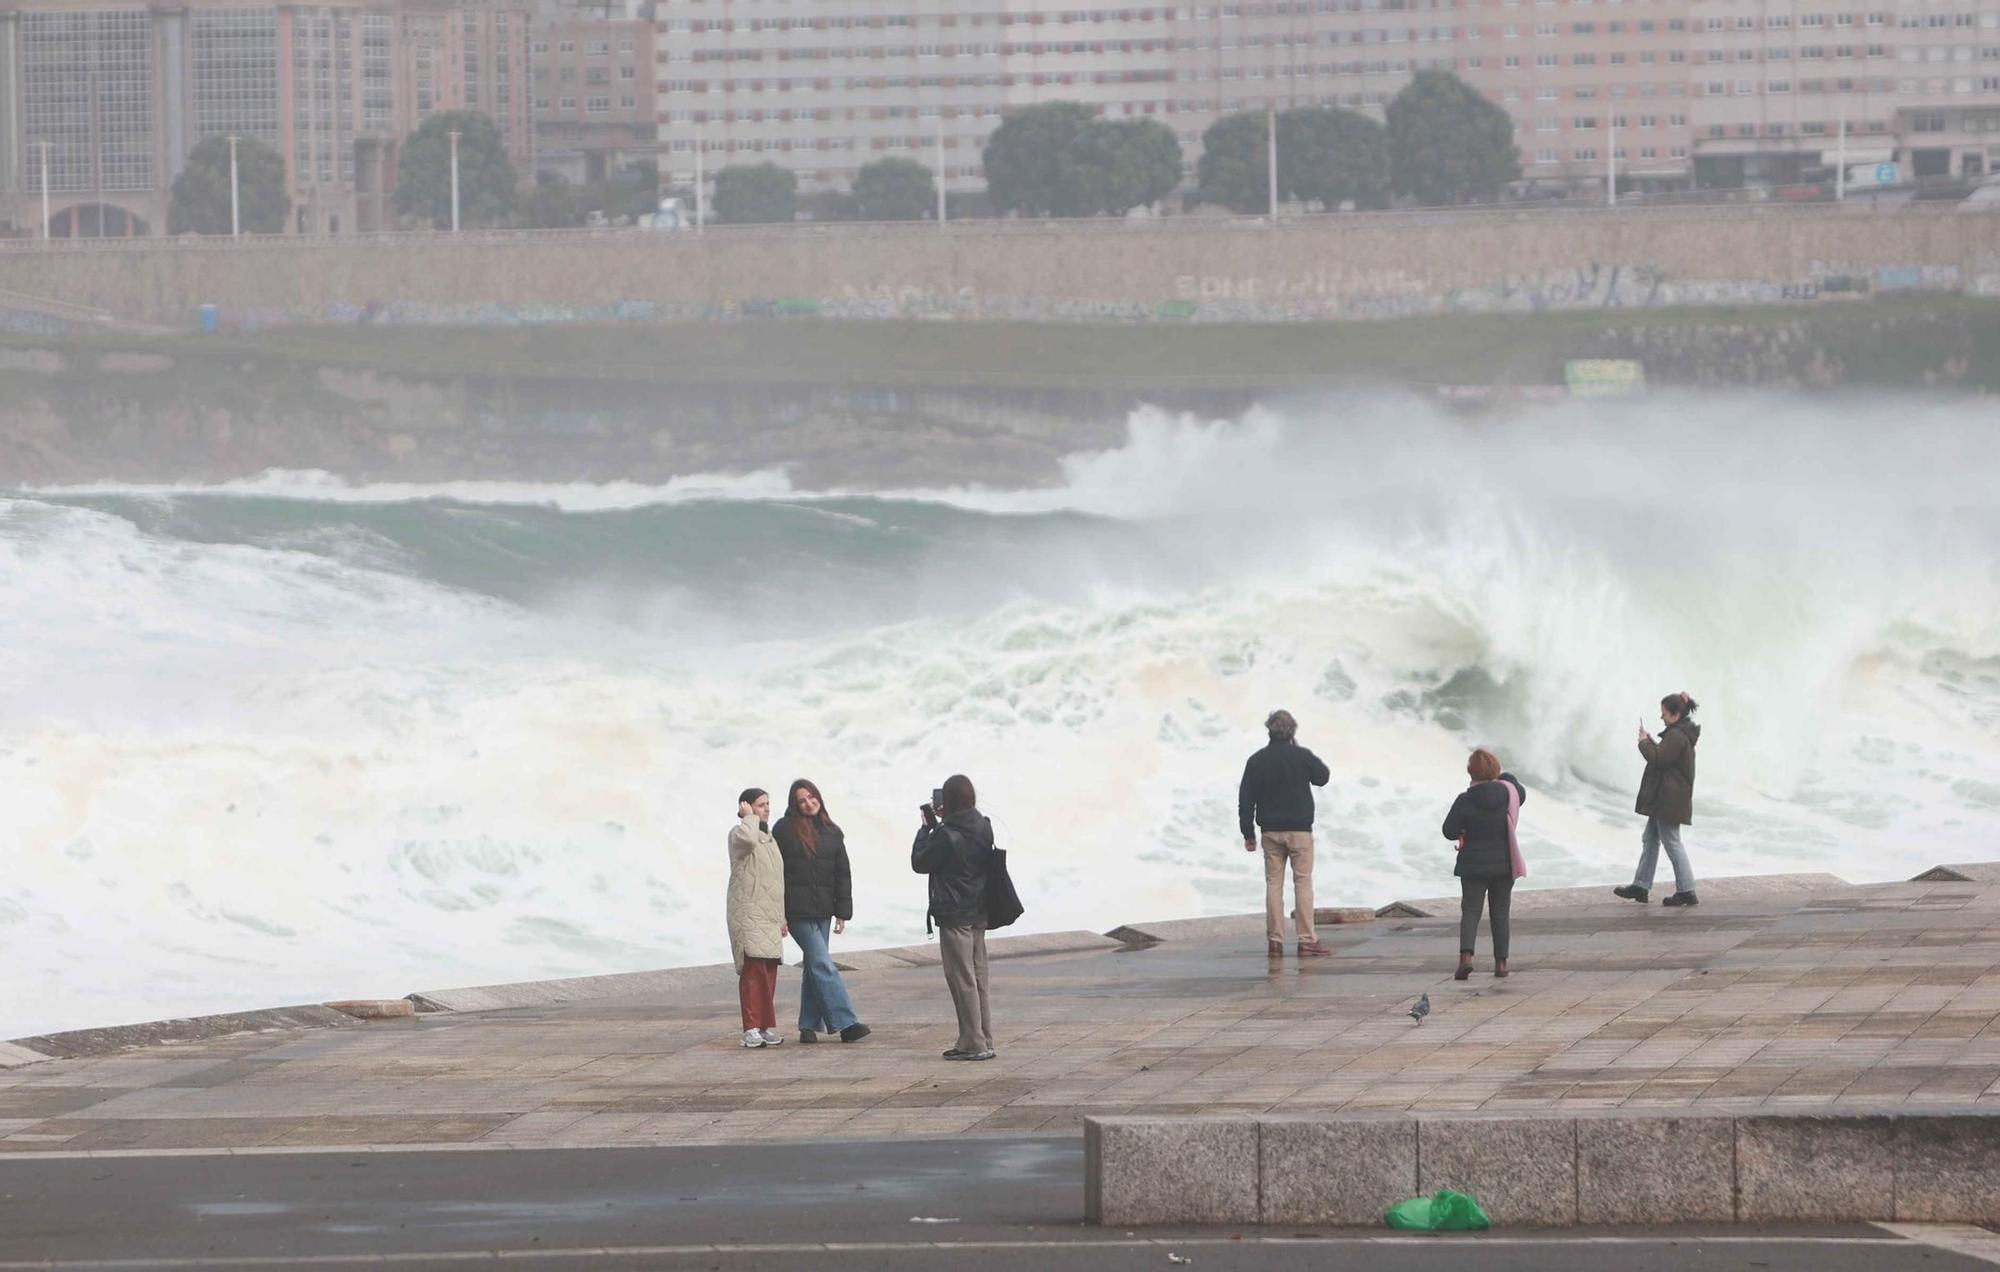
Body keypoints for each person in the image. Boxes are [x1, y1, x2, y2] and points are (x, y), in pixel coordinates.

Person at [772, 779, 870, 1043]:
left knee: (814, 966)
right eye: (802, 800)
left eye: (811, 797)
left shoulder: (832, 831)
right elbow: (774, 874)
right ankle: (847, 1023)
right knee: (822, 963)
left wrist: (842, 912)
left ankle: (808, 1026)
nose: (808, 802)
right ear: (795, 804)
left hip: (823, 910)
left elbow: (842, 873)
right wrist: (778, 913)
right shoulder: (783, 829)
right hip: (796, 912)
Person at [912, 774, 996, 1061]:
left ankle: (972, 1042)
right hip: (979, 911)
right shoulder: (984, 826)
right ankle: (984, 1037)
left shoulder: (946, 834)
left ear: (946, 803)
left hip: (955, 913)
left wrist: (926, 829)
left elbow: (920, 862)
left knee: (962, 978)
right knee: (978, 976)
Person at [1238, 709, 1334, 958]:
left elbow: (1245, 799)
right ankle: (1306, 940)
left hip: (1270, 830)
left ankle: (1275, 940)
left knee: (1273, 885)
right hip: (1299, 829)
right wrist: (1298, 748)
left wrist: (1247, 833)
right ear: (1292, 731)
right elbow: (1322, 777)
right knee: (1302, 883)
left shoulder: (1257, 760)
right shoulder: (1300, 756)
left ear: (1269, 730)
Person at [1441, 749, 1527, 979]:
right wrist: (1503, 776)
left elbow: (1448, 830)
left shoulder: (1465, 799)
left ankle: (1466, 958)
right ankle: (1501, 964)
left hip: (1473, 865)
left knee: (1470, 911)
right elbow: (1520, 789)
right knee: (1500, 912)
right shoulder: (1508, 794)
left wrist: (1463, 829)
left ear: (1471, 772)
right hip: (1504, 863)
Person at [1615, 692, 1702, 907]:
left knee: (1671, 842)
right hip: (1667, 798)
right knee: (1650, 839)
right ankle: (1641, 886)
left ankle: (1687, 890)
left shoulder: (1677, 736)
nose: (1661, 717)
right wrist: (1652, 741)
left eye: (1664, 713)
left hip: (1668, 799)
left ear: (1675, 714)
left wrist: (1644, 743)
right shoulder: (1679, 734)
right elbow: (1665, 756)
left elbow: (1659, 759)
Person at [727, 789, 787, 1049]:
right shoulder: (739, 834)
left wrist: (782, 917)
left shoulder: (770, 840)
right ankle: (749, 1029)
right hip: (748, 914)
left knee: (768, 974)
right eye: (761, 805)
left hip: (769, 916)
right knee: (753, 973)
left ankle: (763, 1027)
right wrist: (748, 818)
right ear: (746, 807)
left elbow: (777, 882)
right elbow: (748, 842)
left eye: (768, 804)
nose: (767, 809)